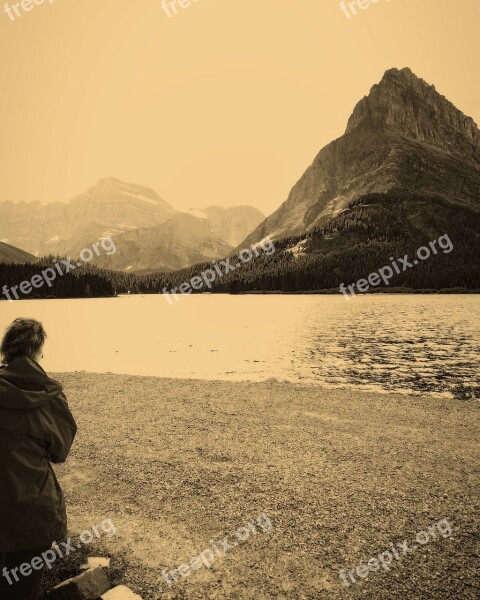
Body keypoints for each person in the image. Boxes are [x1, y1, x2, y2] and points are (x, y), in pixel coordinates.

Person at [0, 318, 77, 600]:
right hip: (33, 516)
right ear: (37, 352)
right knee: (22, 592)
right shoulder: (50, 397)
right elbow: (60, 452)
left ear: (7, 351)